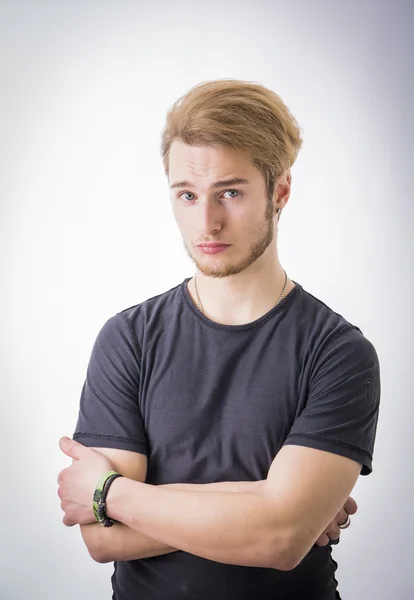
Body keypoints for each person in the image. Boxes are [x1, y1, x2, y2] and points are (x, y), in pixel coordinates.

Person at [57, 79, 381, 600]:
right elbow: (102, 538)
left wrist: (108, 492)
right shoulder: (129, 339)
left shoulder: (339, 352)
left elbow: (279, 537)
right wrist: (266, 507)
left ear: (280, 191)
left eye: (230, 191)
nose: (206, 221)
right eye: (187, 194)